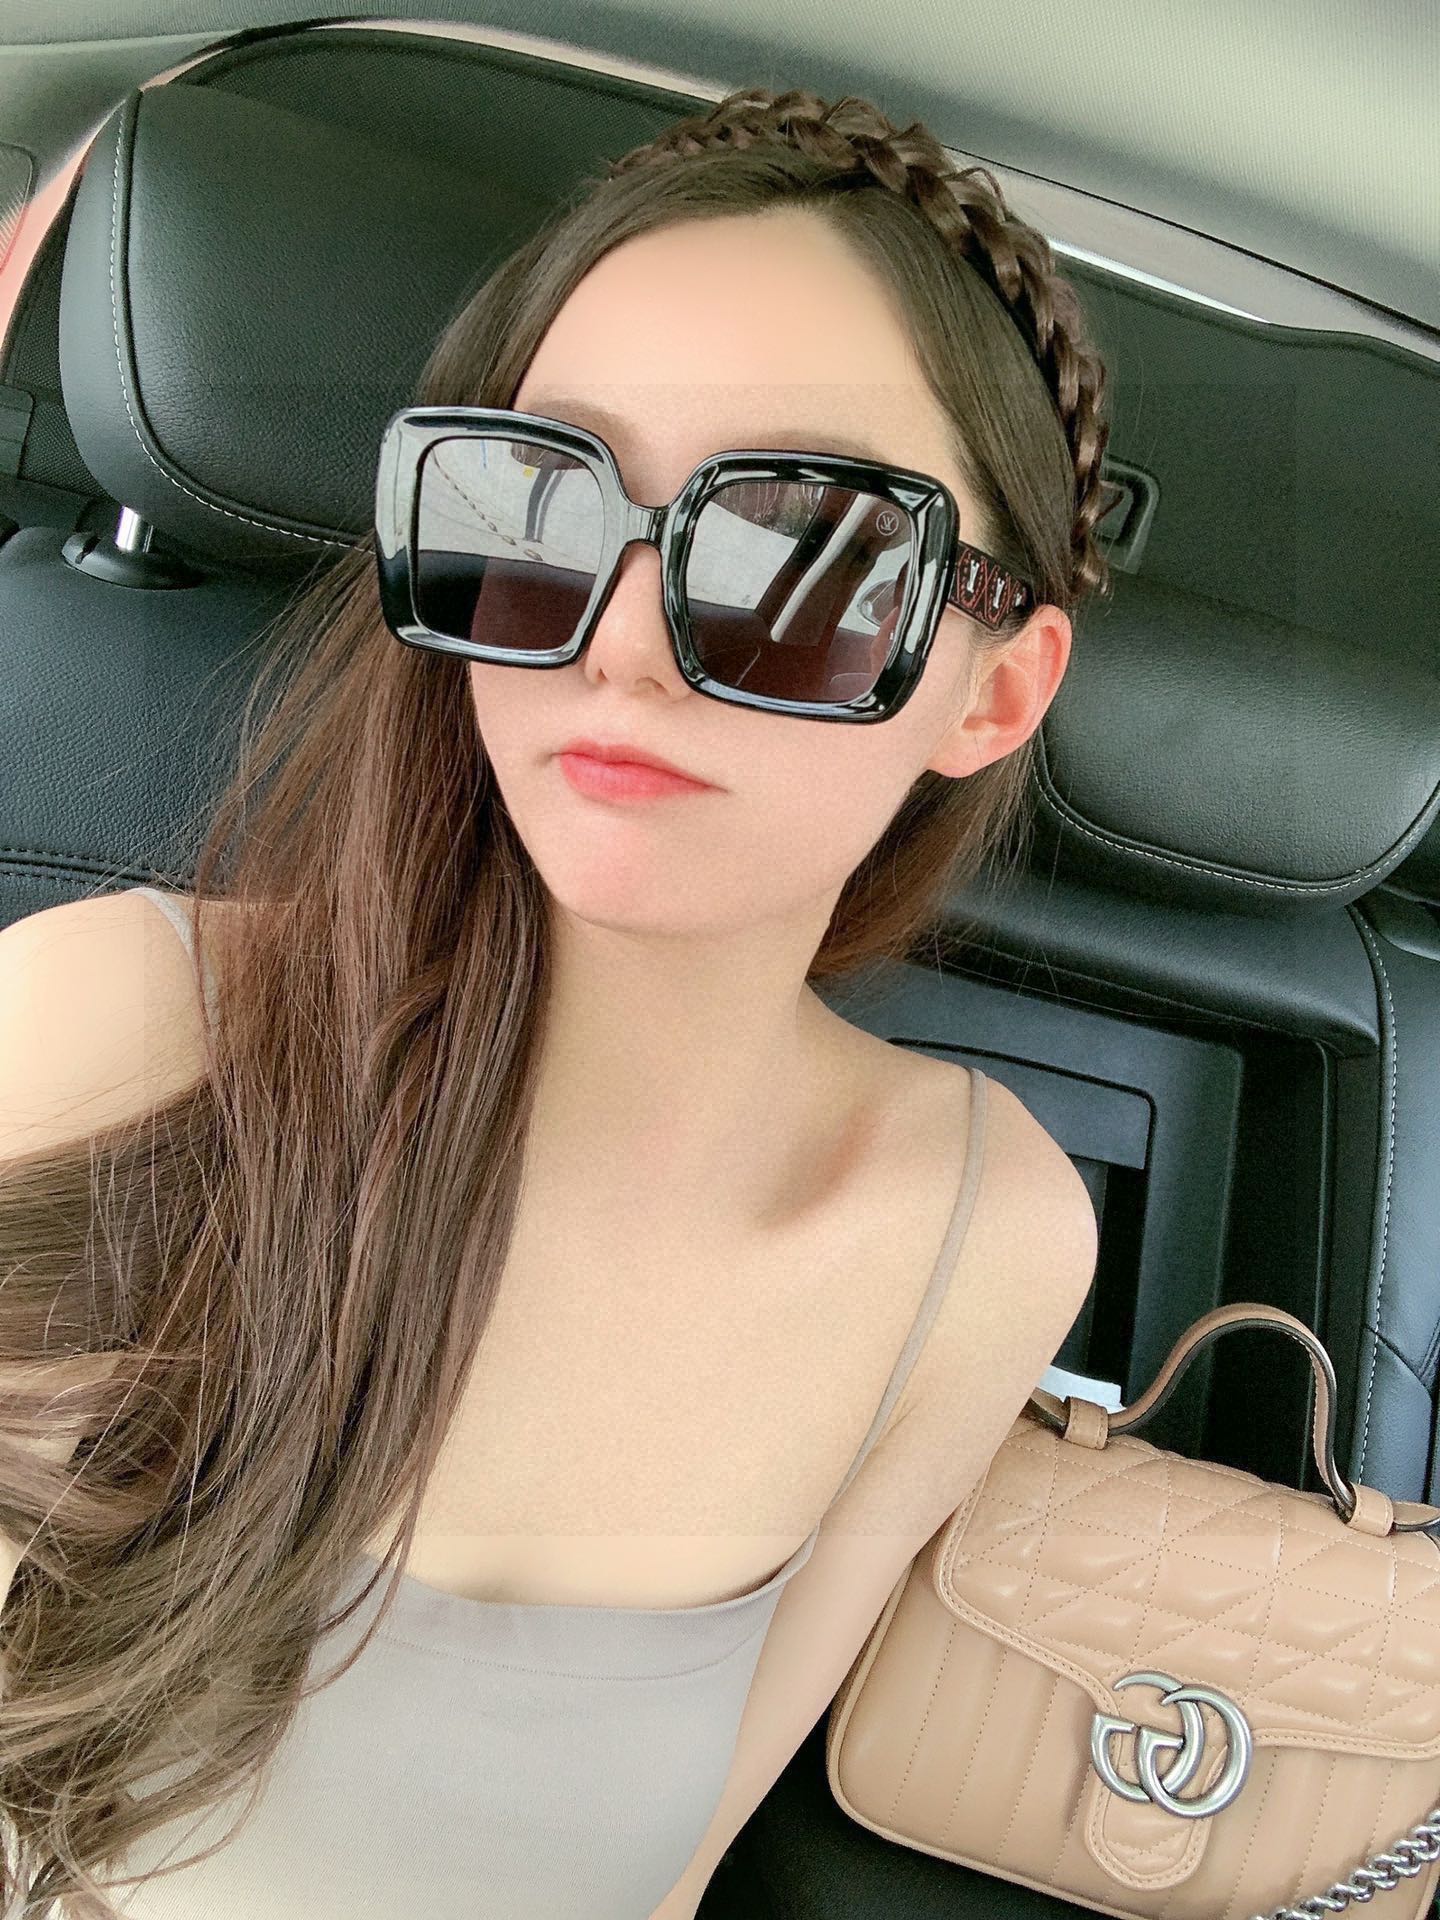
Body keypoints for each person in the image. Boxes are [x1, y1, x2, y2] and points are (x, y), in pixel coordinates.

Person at [0, 83, 1111, 1919]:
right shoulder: (106, 1030)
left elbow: (676, 1879)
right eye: (541, 500)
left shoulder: (976, 1240)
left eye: (807, 548)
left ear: (992, 688)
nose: (619, 634)